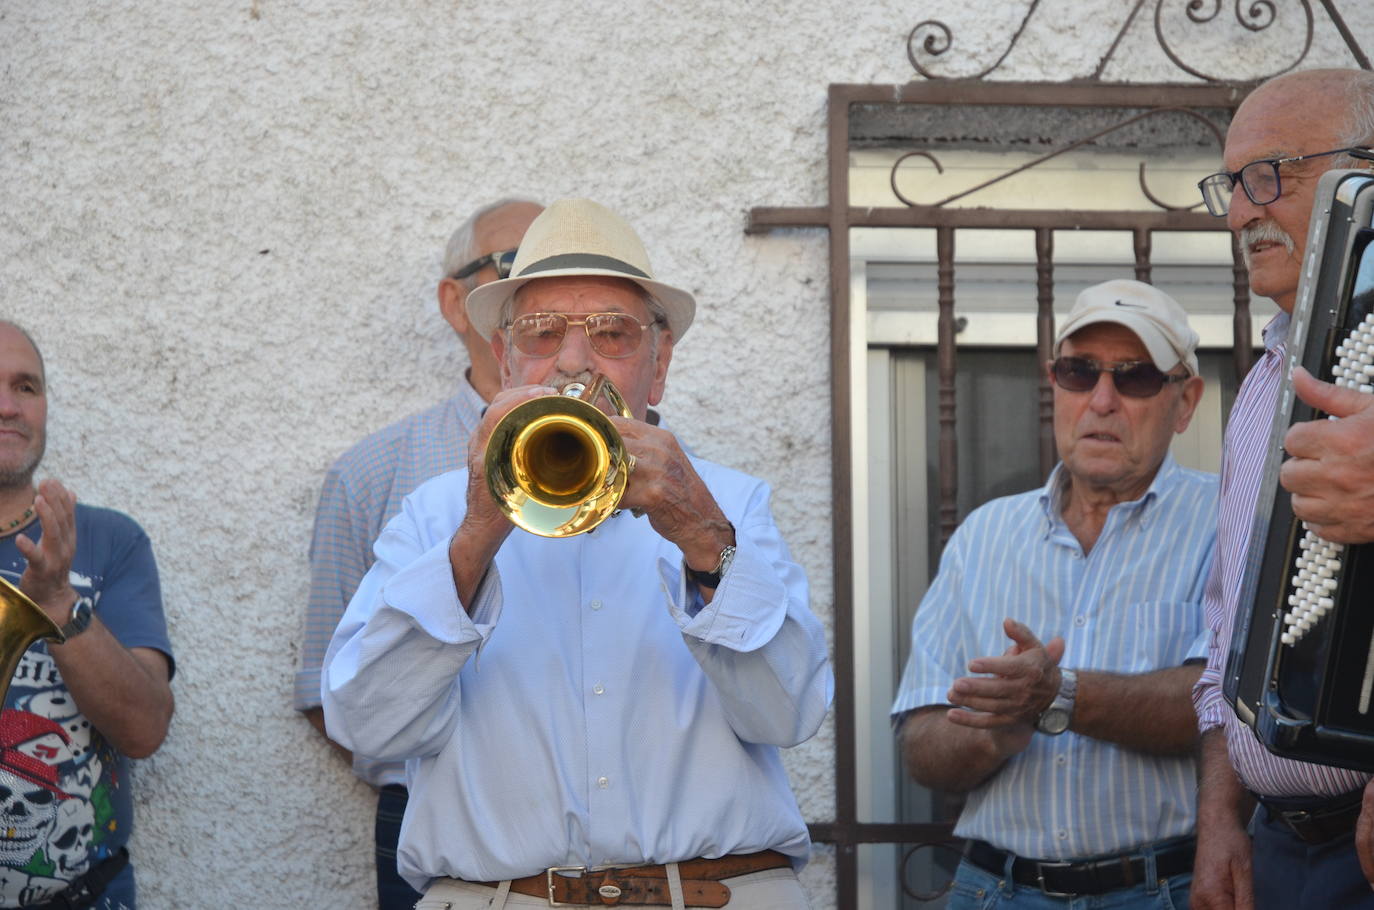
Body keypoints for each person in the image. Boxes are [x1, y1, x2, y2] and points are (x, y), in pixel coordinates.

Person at [320, 197, 833, 909]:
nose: (572, 360)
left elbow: (790, 713)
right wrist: (474, 537)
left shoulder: (731, 503)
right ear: (505, 360)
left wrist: (703, 536)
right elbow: (368, 726)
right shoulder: (436, 513)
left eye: (612, 335)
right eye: (542, 333)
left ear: (658, 368)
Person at [891, 279, 1214, 908]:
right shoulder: (984, 535)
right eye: (1079, 371)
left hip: (1161, 890)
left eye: (1136, 377)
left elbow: (1217, 708)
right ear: (1053, 383)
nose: (1101, 400)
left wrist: (1056, 695)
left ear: (1185, 401)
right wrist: (994, 733)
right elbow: (921, 746)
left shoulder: (1226, 524)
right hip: (995, 888)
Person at [294, 197, 542, 909]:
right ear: (454, 302)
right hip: (433, 818)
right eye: (512, 266)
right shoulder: (372, 471)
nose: (533, 293)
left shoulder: (641, 466)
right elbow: (324, 686)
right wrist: (444, 769)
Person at [1190, 67, 1374, 910]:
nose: (1239, 212)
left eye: (1270, 174)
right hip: (1275, 841)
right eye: (1231, 184)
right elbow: (1233, 629)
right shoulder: (1265, 380)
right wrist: (1222, 816)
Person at [0, 322, 174, 909]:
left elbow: (145, 729)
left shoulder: (109, 542)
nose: (8, 406)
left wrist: (57, 603)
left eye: (26, 387)